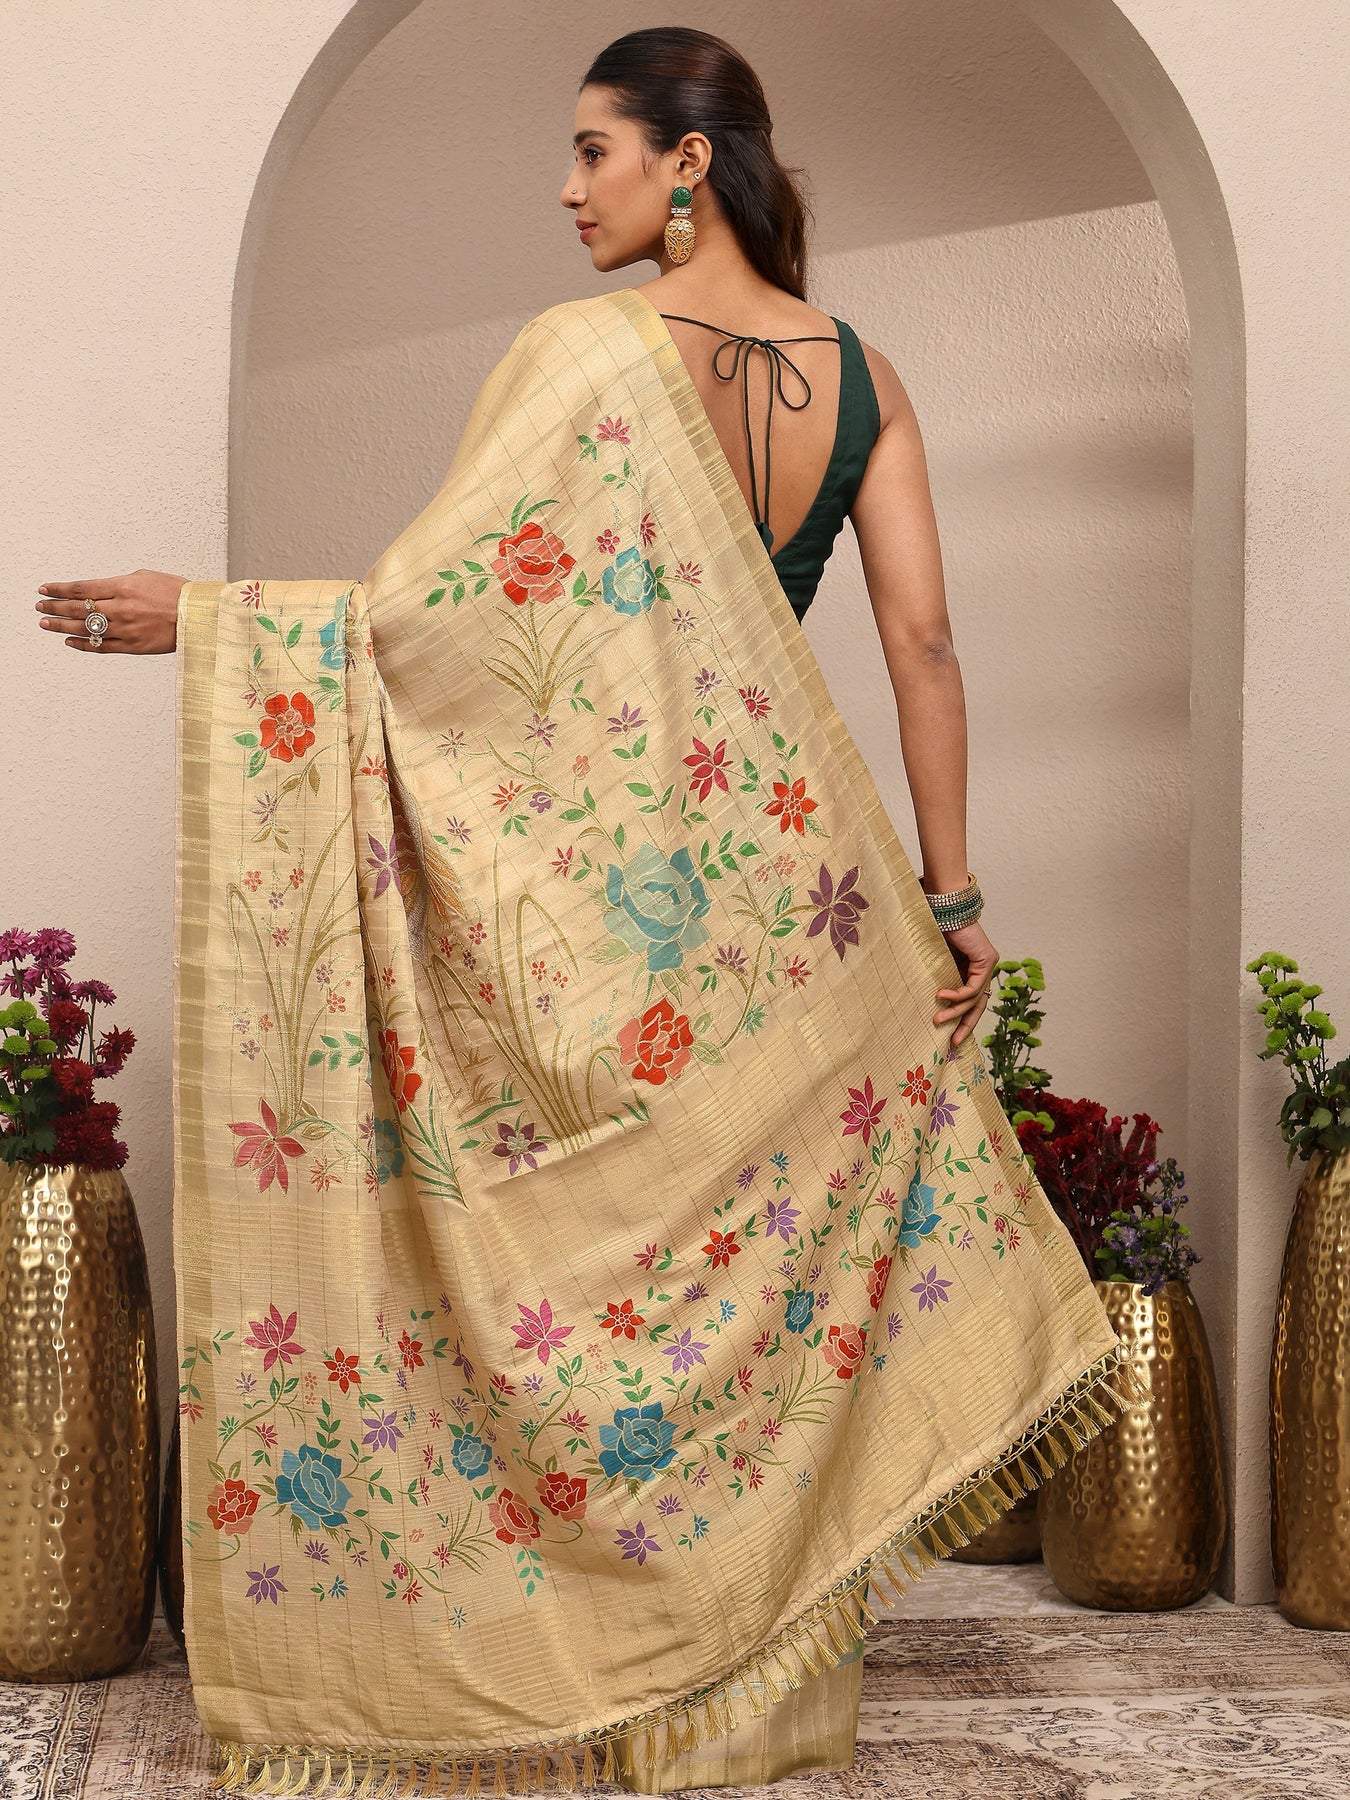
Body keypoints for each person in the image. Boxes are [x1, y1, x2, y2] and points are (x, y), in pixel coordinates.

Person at [32, 27, 1139, 1800]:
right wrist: (951, 898)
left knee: (593, 1293)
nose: (565, 190)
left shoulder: (586, 356)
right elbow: (923, 644)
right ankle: (735, 1704)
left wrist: (215, 617)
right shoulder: (862, 376)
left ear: (686, 161)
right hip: (782, 915)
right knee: (733, 1307)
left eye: (592, 151)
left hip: (610, 912)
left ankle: (568, 1674)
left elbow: (431, 623)